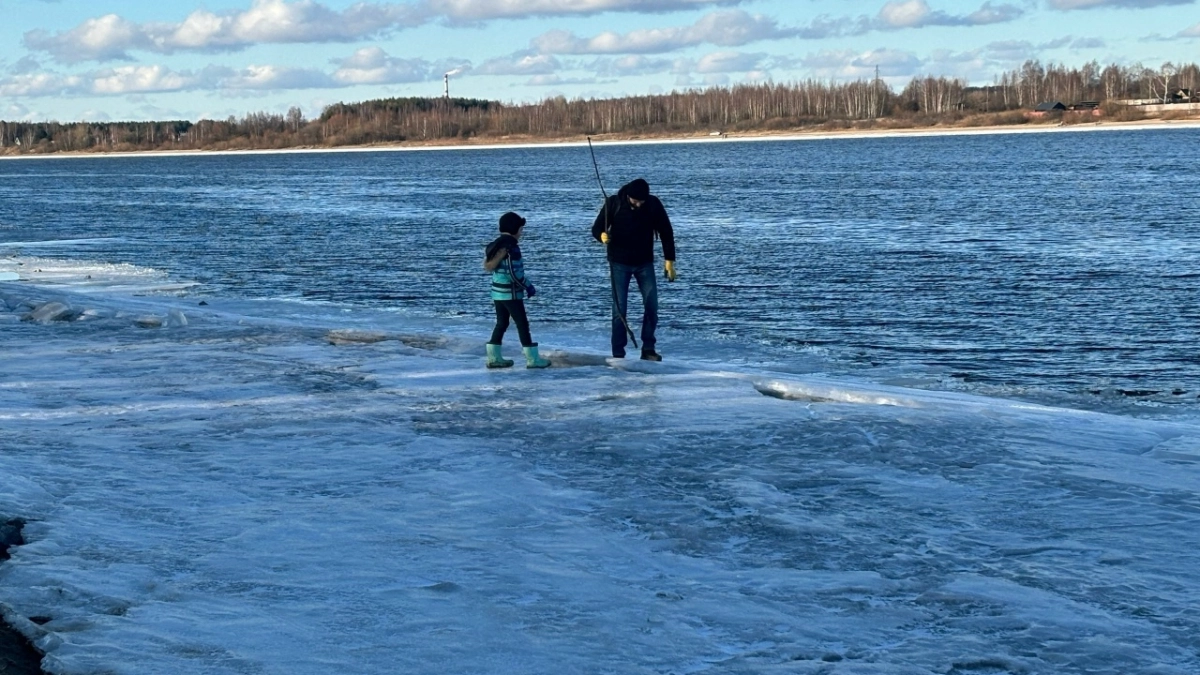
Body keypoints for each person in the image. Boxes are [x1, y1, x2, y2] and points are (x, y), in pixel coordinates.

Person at [591, 178, 676, 360]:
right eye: (635, 201)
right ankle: (618, 353)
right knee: (619, 310)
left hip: (644, 263)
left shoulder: (653, 204)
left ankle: (648, 349)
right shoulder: (614, 203)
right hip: (619, 263)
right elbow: (597, 228)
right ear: (629, 196)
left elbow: (666, 231)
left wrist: (669, 259)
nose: (638, 204)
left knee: (652, 305)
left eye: (641, 201)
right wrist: (602, 236)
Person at [483, 211, 551, 369]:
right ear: (515, 229)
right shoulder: (511, 248)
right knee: (522, 324)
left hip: (497, 293)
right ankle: (533, 359)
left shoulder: (495, 244)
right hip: (510, 293)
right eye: (521, 230)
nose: (521, 234)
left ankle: (494, 357)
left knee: (501, 323)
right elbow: (514, 272)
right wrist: (528, 286)